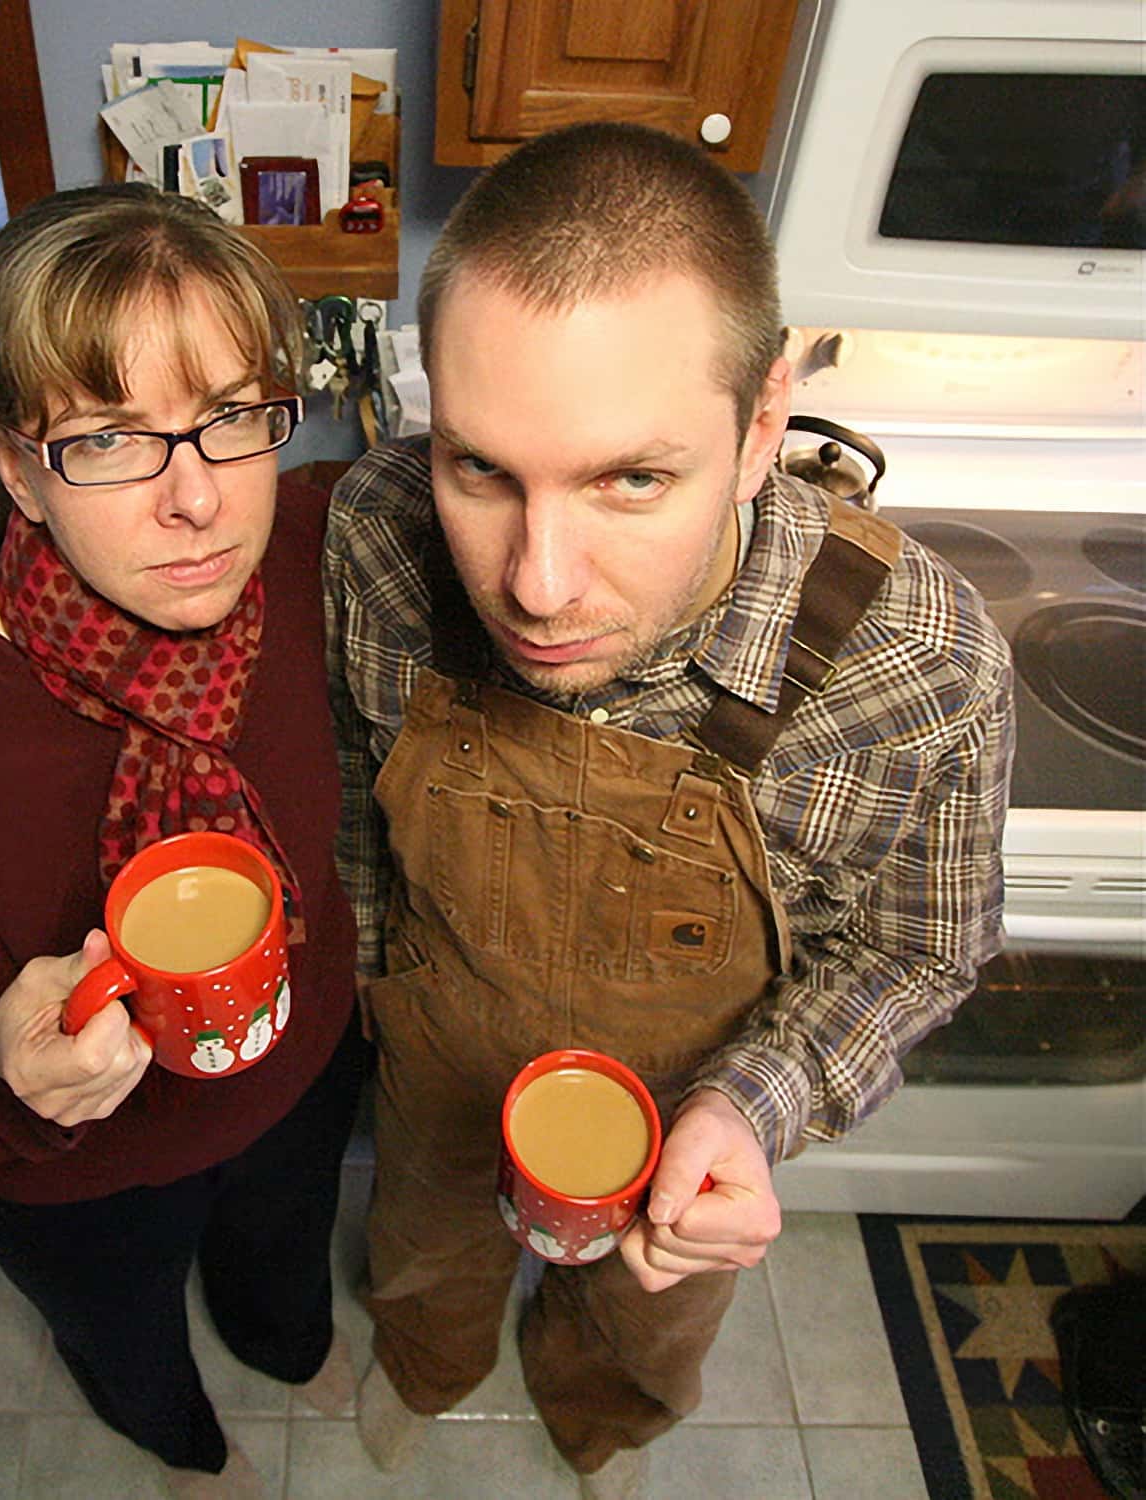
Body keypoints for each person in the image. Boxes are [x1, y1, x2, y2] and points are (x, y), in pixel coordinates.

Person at [324, 122, 1013, 1498]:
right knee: (420, 1253)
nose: (535, 582)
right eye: (481, 470)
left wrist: (751, 1109)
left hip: (686, 1116)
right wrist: (377, 975)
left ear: (760, 428)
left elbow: (923, 945)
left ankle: (598, 1424)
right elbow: (358, 802)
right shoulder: (373, 536)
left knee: (643, 1321)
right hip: (440, 1067)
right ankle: (429, 1367)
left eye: (631, 479)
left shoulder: (921, 664)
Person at [0, 183, 368, 1499]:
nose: (198, 504)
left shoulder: (309, 545)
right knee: (125, 1335)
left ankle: (284, 1346)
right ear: (17, 464)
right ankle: (175, 1435)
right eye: (114, 439)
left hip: (303, 1068)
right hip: (94, 1176)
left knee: (285, 1267)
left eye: (231, 418)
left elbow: (524, 472)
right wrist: (12, 1074)